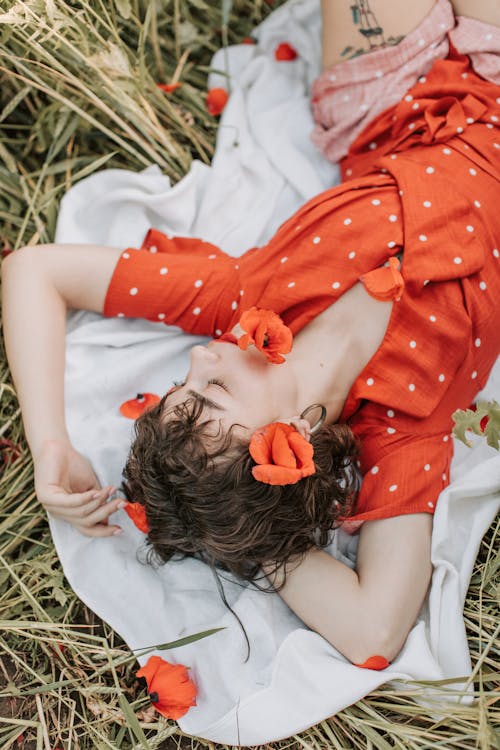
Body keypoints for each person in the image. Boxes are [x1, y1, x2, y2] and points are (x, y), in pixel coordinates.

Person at [2, 0, 500, 669]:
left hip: (400, 106)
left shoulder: (239, 298)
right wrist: (255, 534)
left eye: (181, 383)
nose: (202, 357)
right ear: (286, 440)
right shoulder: (402, 424)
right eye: (209, 394)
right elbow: (373, 630)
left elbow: (35, 272)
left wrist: (50, 443)